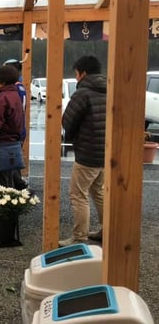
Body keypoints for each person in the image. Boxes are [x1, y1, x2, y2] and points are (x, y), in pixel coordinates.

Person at [59, 55, 106, 247]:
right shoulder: (110, 89)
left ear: (83, 73)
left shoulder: (83, 93)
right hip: (105, 151)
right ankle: (106, 230)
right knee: (99, 191)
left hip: (88, 152)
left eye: (76, 74)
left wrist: (70, 137)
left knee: (78, 194)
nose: (76, 77)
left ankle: (80, 237)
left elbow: (68, 121)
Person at [3, 58, 28, 190]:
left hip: (14, 129)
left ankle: (18, 186)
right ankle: (18, 185)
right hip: (20, 128)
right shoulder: (20, 86)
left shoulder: (14, 89)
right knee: (14, 160)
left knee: (10, 162)